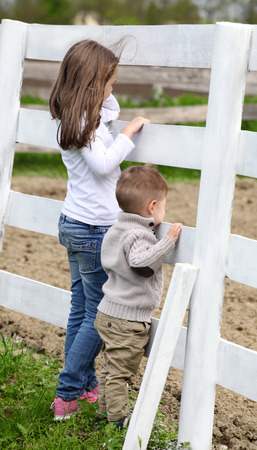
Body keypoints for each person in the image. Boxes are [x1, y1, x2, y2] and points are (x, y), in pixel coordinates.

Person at [49, 39, 150, 420]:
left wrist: (104, 99)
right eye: (108, 82)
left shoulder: (73, 116)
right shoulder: (83, 124)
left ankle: (85, 386)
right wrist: (130, 132)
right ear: (91, 83)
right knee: (95, 314)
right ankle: (68, 392)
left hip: (75, 222)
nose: (113, 90)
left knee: (81, 309)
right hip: (93, 230)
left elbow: (110, 110)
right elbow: (105, 165)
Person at [94, 164, 182, 429]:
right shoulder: (140, 235)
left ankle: (103, 416)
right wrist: (167, 242)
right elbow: (141, 264)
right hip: (127, 321)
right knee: (120, 374)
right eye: (163, 206)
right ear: (152, 207)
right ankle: (117, 422)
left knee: (110, 369)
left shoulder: (117, 229)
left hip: (108, 312)